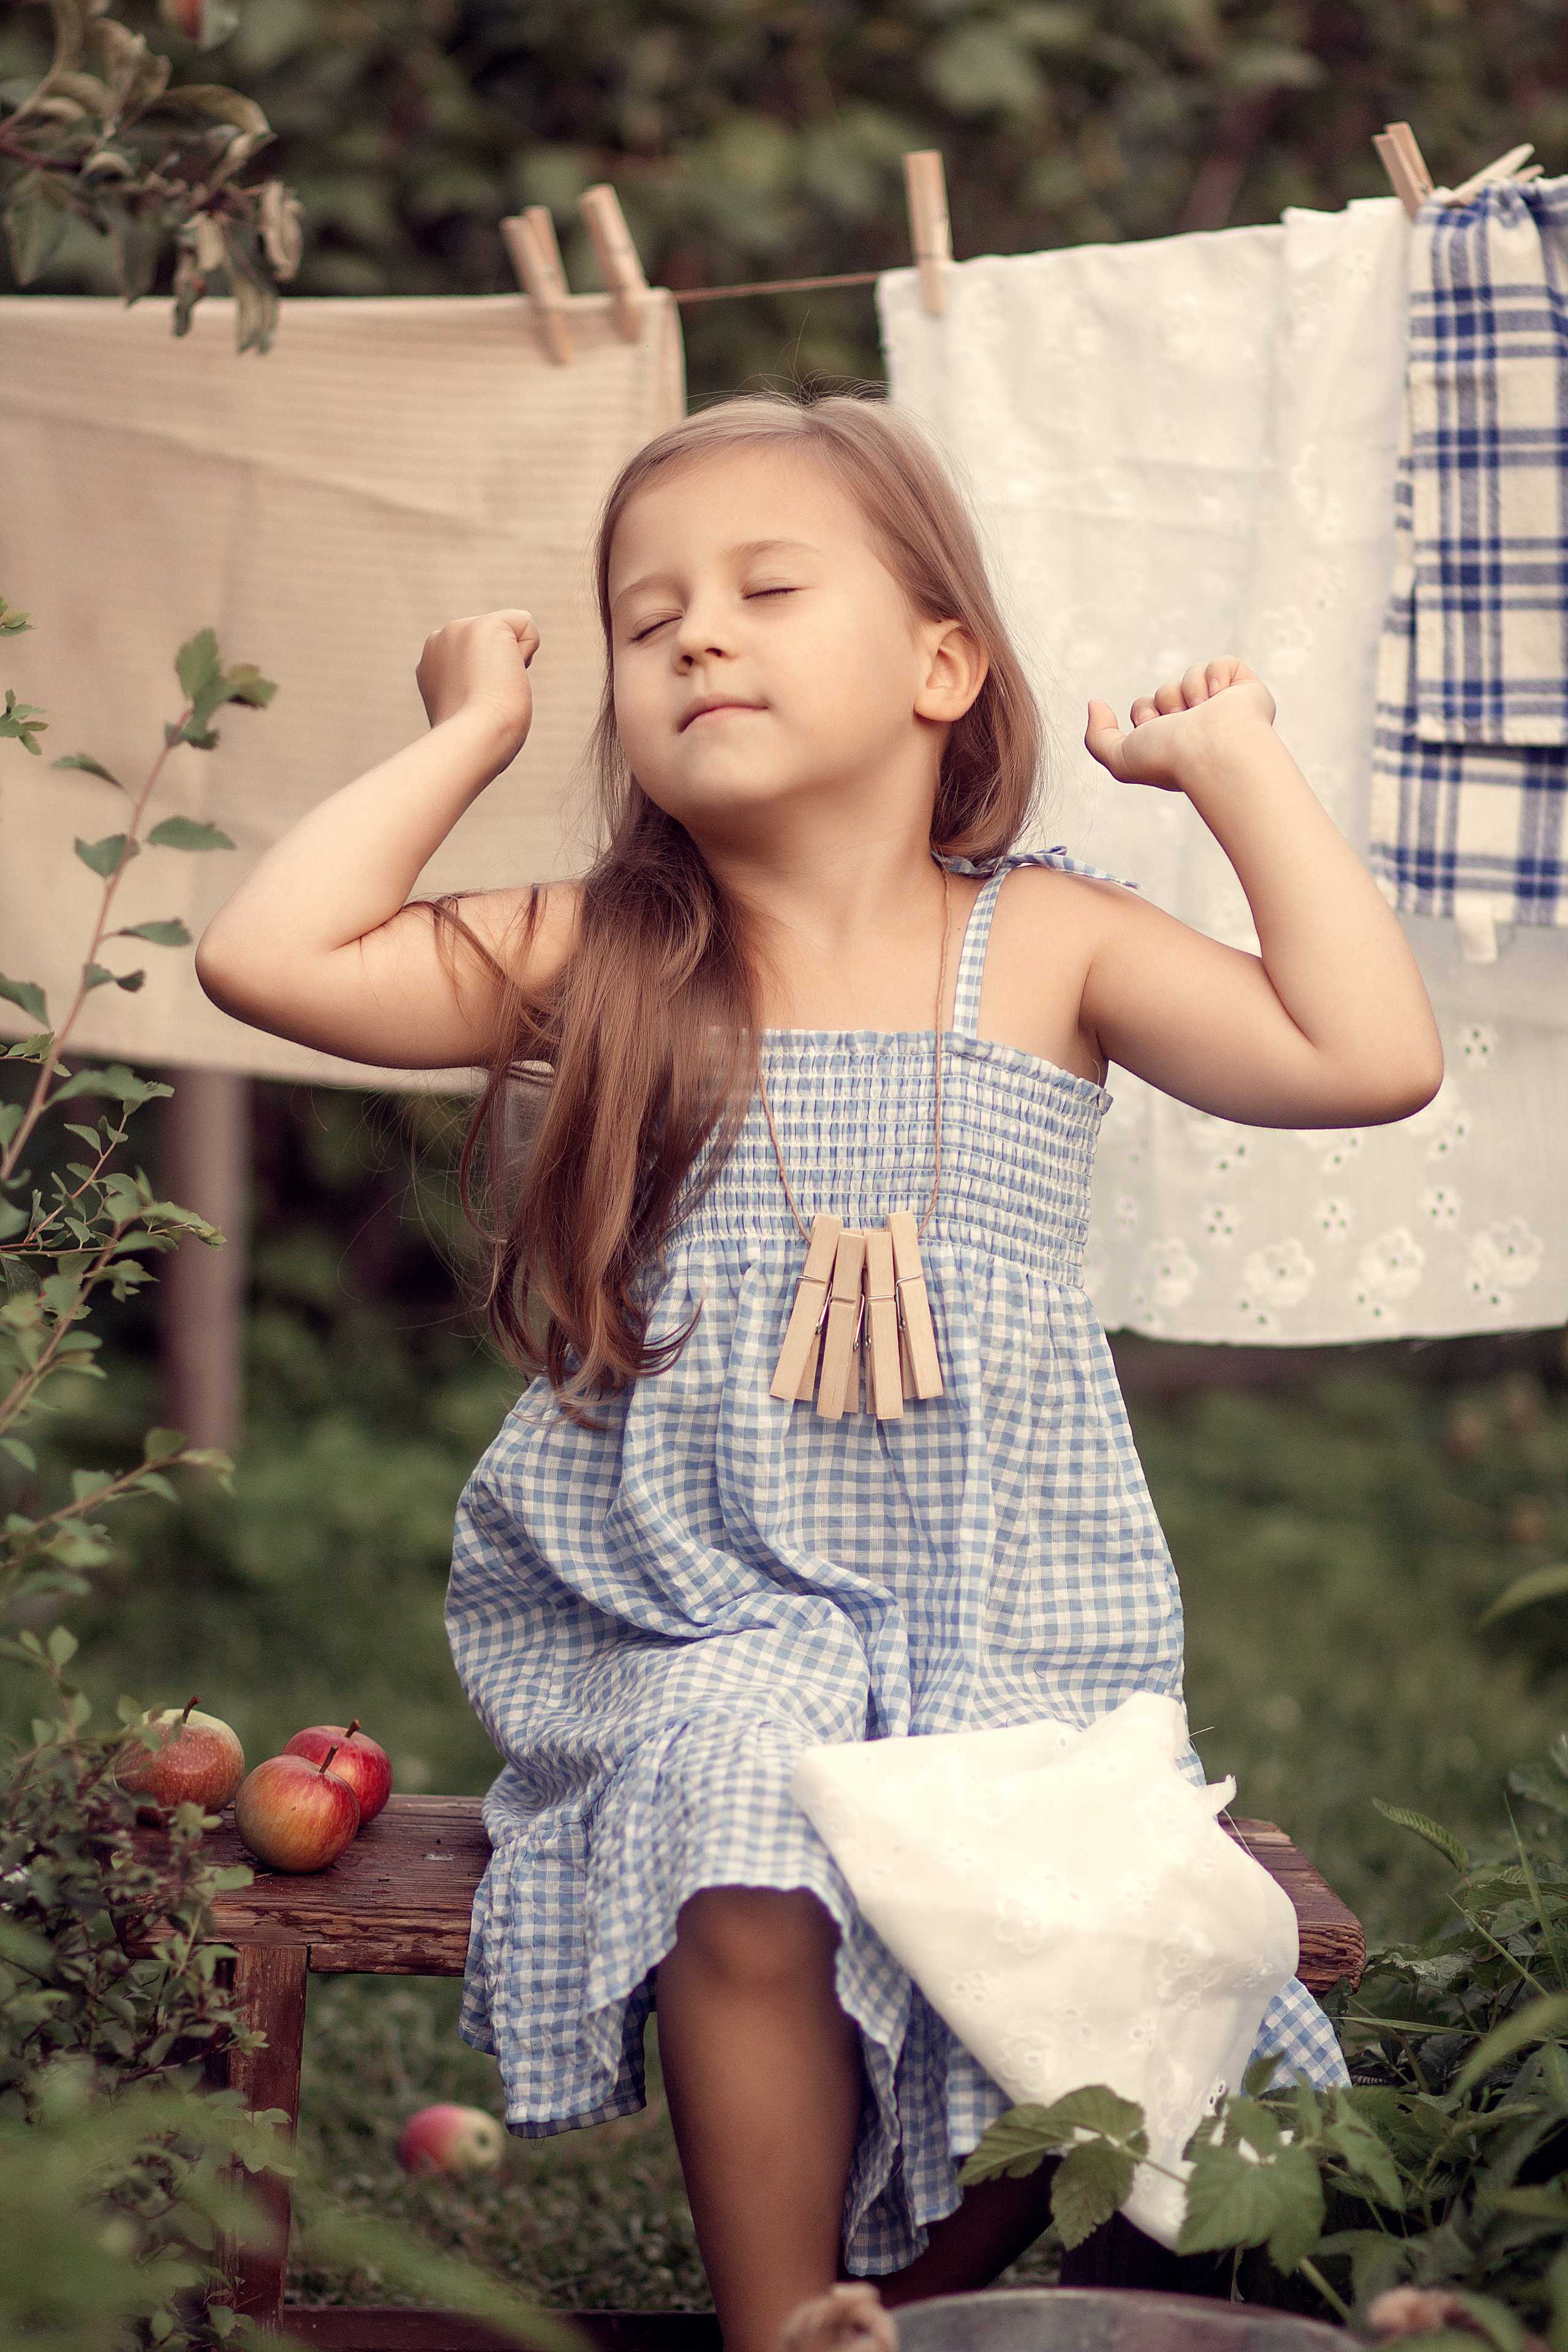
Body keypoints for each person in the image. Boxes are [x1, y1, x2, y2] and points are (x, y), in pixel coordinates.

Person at [197, 393, 1442, 2352]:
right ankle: (786, 2319)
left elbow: (1369, 1056)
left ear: (945, 664)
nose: (696, 633)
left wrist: (1240, 770)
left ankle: (894, 2311)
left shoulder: (1052, 945)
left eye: (769, 588)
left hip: (1004, 1624)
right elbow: (267, 954)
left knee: (1117, 1931)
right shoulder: (608, 953)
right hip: (691, 1610)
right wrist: (467, 733)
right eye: (647, 615)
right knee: (743, 1825)